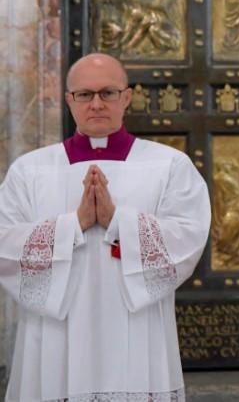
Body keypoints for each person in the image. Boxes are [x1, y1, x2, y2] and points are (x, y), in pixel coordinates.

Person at [0, 53, 211, 401]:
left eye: (108, 93)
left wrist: (118, 222)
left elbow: (188, 237)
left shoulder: (169, 165)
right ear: (69, 100)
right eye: (84, 94)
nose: (96, 104)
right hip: (55, 332)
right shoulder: (30, 170)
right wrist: (75, 224)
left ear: (126, 97)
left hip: (136, 328)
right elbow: (5, 245)